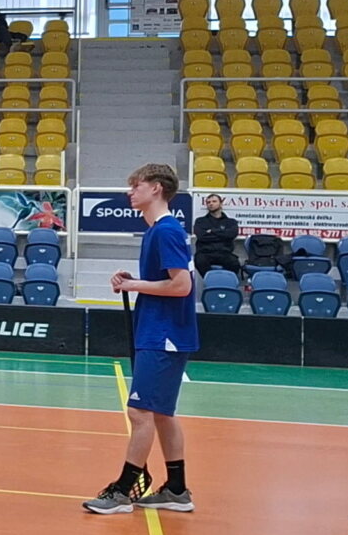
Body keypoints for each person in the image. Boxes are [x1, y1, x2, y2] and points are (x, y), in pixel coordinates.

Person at [84, 162, 196, 514]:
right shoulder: (157, 231)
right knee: (161, 413)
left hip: (163, 333)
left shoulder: (165, 231)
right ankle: (176, 489)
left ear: (156, 188)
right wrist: (136, 281)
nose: (130, 192)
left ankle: (122, 491)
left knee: (140, 411)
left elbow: (181, 286)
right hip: (163, 330)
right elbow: (169, 280)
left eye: (136, 186)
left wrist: (135, 285)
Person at [191, 192, 241, 274]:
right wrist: (222, 234)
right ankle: (210, 280)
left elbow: (231, 234)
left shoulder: (231, 222)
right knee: (199, 261)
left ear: (221, 204)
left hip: (224, 253)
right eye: (208, 202)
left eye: (214, 201)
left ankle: (226, 281)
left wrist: (212, 231)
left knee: (234, 263)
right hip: (205, 253)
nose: (211, 204)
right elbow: (202, 237)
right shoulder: (200, 221)